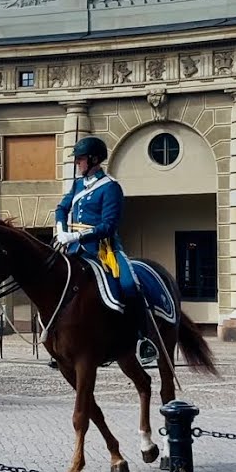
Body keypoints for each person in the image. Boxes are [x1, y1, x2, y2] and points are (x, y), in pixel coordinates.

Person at [54, 135, 159, 366]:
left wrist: (78, 235)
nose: (77, 163)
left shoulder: (111, 187)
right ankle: (58, 341)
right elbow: (62, 207)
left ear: (93, 159)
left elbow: (108, 225)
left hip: (103, 249)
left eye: (80, 159)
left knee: (130, 284)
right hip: (73, 249)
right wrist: (62, 229)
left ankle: (142, 339)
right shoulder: (78, 184)